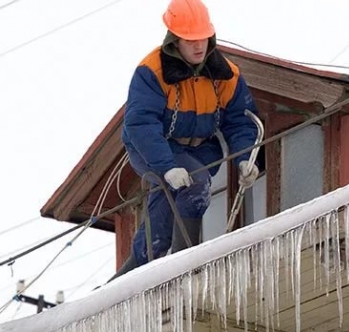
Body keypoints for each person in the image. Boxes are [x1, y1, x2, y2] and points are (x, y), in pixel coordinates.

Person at [111, 0, 260, 280]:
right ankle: (185, 265)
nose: (198, 45)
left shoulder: (226, 74)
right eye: (190, 39)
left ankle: (128, 281)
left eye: (203, 37)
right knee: (195, 182)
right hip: (153, 148)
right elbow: (141, 123)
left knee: (158, 232)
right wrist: (167, 166)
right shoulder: (151, 71)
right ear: (174, 39)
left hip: (200, 149)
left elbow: (240, 121)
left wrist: (244, 160)